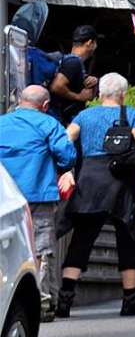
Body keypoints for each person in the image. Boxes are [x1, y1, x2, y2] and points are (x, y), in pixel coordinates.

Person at [57, 73, 135, 318]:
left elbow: (66, 140)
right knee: (127, 237)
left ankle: (65, 300)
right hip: (123, 182)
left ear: (100, 94)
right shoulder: (131, 114)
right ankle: (130, 300)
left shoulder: (84, 116)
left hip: (90, 179)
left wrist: (68, 170)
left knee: (82, 237)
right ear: (122, 94)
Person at [0, 85, 77, 321]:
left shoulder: (2, 122)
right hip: (38, 196)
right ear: (45, 106)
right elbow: (68, 155)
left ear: (20, 101)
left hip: (5, 197)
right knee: (42, 250)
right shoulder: (48, 124)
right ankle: (42, 301)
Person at [48, 25, 101, 125]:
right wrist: (78, 97)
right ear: (90, 43)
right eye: (95, 43)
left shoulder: (72, 61)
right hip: (62, 120)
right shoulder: (74, 62)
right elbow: (56, 86)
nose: (95, 47)